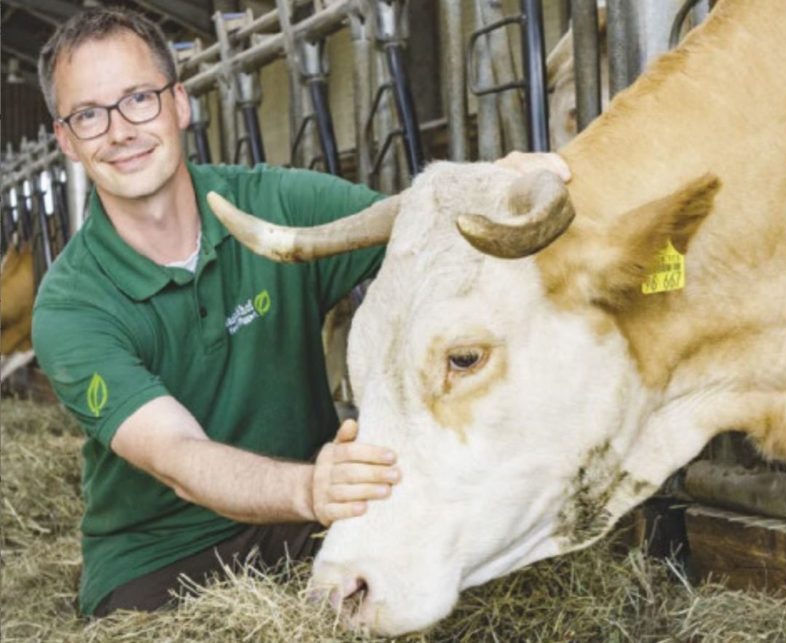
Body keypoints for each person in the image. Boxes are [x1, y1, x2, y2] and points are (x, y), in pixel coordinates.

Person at [32, 7, 570, 618]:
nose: (120, 130)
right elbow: (179, 457)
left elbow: (432, 239)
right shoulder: (71, 304)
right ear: (66, 140)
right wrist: (309, 486)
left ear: (179, 103)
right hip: (161, 560)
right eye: (89, 115)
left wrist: (499, 182)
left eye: (138, 98)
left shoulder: (277, 202)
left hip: (312, 529)